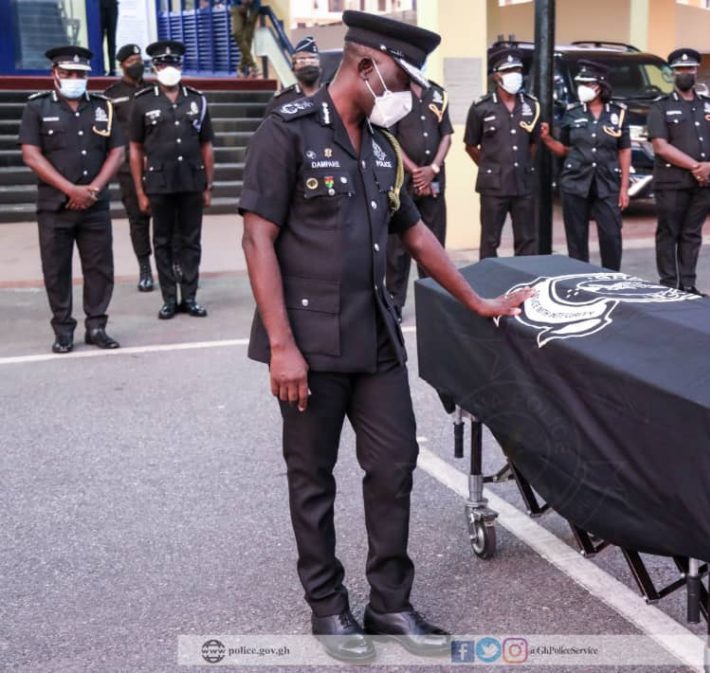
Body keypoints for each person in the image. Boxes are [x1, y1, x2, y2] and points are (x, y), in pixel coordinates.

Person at [238, 10, 531, 663]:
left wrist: (478, 299)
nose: (407, 94)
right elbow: (257, 236)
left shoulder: (380, 146)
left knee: (393, 466)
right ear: (366, 65)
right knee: (312, 476)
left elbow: (416, 233)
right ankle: (327, 605)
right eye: (400, 78)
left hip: (374, 337)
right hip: (308, 343)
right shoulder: (286, 133)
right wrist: (281, 344)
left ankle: (388, 602)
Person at [18, 46, 123, 353]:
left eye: (81, 74)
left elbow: (117, 152)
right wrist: (70, 190)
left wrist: (92, 190)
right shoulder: (36, 108)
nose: (75, 79)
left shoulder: (105, 106)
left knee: (100, 268)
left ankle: (97, 326)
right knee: (56, 270)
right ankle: (63, 329)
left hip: (95, 205)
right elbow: (31, 155)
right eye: (68, 74)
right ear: (55, 74)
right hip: (54, 206)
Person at [130, 40, 215, 320]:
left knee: (191, 240)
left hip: (191, 180)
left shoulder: (197, 100)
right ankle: (169, 298)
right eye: (163, 64)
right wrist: (140, 192)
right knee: (163, 241)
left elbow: (206, 145)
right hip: (159, 183)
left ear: (181, 66)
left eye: (174, 64)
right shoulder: (142, 101)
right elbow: (136, 148)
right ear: (154, 67)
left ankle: (189, 297)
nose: (169, 69)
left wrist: (209, 184)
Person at [646, 47, 710, 296]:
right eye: (679, 69)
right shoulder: (661, 106)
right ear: (672, 73)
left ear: (696, 70)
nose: (685, 73)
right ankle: (669, 283)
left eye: (689, 68)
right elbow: (660, 146)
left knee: (692, 234)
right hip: (672, 182)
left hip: (702, 182)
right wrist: (695, 167)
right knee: (669, 232)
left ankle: (688, 284)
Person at [538, 60, 630, 270]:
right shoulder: (572, 113)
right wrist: (547, 139)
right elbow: (564, 149)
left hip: (607, 183)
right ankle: (580, 277)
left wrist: (624, 187)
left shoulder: (618, 114)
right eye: (581, 83)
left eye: (588, 84)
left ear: (600, 86)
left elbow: (624, 150)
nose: (583, 88)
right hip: (576, 182)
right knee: (576, 237)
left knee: (611, 235)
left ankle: (612, 278)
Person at [384, 72, 453, 316]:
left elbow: (446, 135)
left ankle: (433, 301)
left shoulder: (438, 94)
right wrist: (416, 172)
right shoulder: (393, 95)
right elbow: (389, 137)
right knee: (398, 249)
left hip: (434, 181)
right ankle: (394, 303)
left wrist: (432, 169)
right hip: (403, 183)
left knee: (433, 243)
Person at [464, 47, 540, 259]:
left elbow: (533, 143)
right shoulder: (482, 107)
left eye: (517, 69)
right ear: (496, 75)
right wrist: (490, 166)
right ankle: (488, 284)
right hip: (493, 186)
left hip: (523, 184)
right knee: (490, 239)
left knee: (527, 239)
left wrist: (522, 164)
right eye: (508, 71)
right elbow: (470, 145)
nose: (514, 75)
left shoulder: (532, 105)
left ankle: (526, 283)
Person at [104, 43, 155, 292]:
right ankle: (145, 268)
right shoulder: (112, 95)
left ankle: (174, 267)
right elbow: (108, 134)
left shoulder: (155, 90)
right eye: (132, 59)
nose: (137, 63)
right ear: (122, 64)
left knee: (169, 220)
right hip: (128, 169)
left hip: (159, 164)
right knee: (138, 219)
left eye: (139, 58)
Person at [263, 36, 323, 118]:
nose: (308, 64)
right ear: (294, 69)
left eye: (312, 59)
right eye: (302, 60)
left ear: (320, 67)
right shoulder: (281, 101)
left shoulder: (331, 95)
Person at [230, 0, 261, 79]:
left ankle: (241, 68)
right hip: (236, 4)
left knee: (247, 38)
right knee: (236, 33)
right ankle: (252, 65)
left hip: (253, 5)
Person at [100, 0, 118, 75]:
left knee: (112, 39)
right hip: (99, 6)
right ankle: (101, 68)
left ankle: (112, 68)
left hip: (112, 5)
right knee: (99, 40)